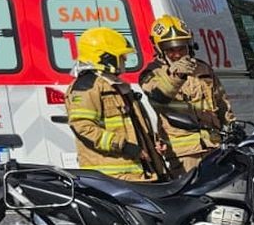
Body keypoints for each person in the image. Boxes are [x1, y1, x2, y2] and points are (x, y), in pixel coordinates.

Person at [65, 27, 174, 181]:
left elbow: (134, 125)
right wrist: (125, 147)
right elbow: (83, 128)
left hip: (136, 173)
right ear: (106, 57)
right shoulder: (87, 87)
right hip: (113, 177)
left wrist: (153, 142)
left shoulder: (115, 85)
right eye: (121, 57)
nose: (125, 61)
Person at [139, 14, 234, 170]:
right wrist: (177, 76)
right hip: (184, 153)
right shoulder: (152, 74)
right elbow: (160, 97)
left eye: (182, 48)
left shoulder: (203, 68)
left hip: (213, 146)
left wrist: (231, 127)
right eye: (171, 50)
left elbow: (221, 102)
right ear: (160, 50)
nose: (178, 54)